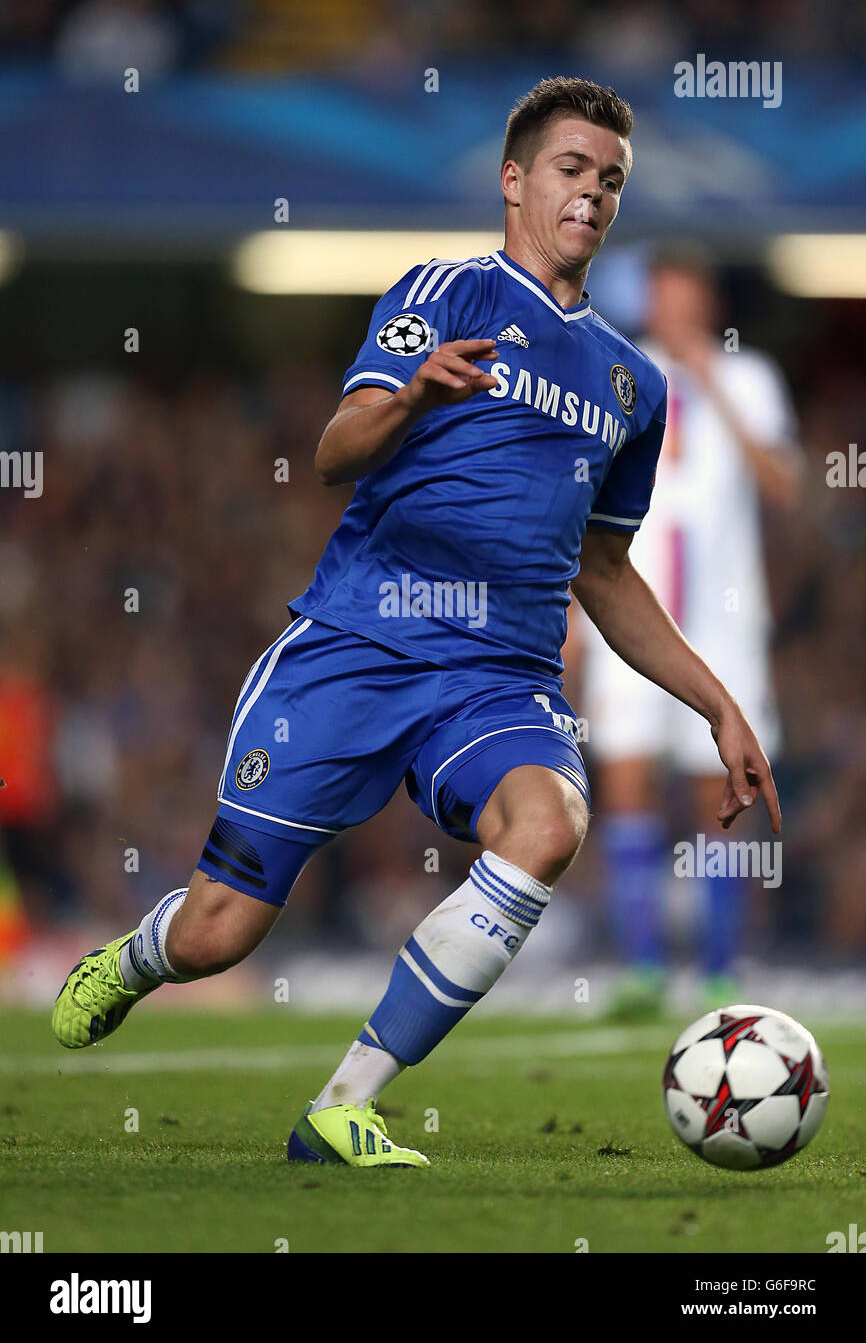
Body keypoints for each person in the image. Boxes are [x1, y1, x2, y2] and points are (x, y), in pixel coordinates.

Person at [52, 76, 780, 1169]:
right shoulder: (448, 289)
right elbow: (336, 451)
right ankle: (138, 957)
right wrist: (411, 400)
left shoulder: (633, 383)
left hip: (498, 678)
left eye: (610, 180)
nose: (590, 194)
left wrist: (716, 702)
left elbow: (604, 569)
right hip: (357, 647)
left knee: (546, 825)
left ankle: (345, 1105)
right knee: (220, 933)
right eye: (571, 170)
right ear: (514, 180)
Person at [579, 248, 798, 1014]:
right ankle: (641, 968)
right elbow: (587, 502)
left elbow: (784, 484)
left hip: (722, 623)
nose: (672, 309)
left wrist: (711, 385)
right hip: (629, 615)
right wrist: (576, 622)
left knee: (719, 793)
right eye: (661, 295)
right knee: (627, 782)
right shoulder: (618, 370)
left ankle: (716, 969)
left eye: (685, 295)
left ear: (707, 302)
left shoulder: (748, 377)